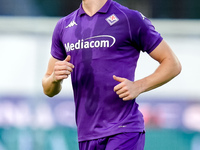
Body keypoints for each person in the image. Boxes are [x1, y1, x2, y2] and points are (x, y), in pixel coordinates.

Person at [42, 0, 182, 149]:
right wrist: (55, 79)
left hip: (124, 129)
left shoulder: (129, 19)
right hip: (86, 135)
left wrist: (139, 86)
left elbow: (172, 64)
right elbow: (48, 89)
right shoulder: (64, 26)